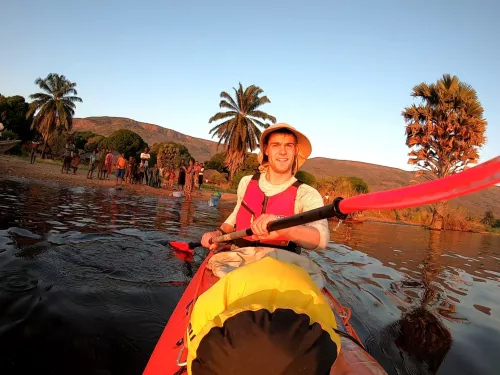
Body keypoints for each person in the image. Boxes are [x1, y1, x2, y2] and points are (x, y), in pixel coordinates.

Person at [201, 123, 329, 254]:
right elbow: (236, 215)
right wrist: (217, 233)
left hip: (282, 264)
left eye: (288, 146)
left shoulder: (306, 194)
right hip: (239, 257)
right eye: (276, 145)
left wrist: (283, 227)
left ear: (295, 150)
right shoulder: (246, 182)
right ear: (266, 149)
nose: (283, 151)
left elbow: (321, 240)